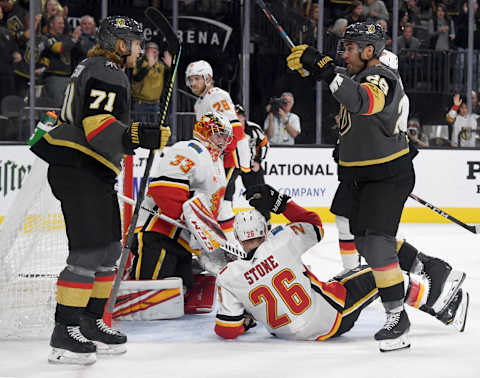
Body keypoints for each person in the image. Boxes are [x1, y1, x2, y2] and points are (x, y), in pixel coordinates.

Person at [30, 16, 171, 365]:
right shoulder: (108, 69)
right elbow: (98, 126)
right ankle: (64, 332)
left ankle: (90, 323)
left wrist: (140, 134)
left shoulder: (98, 66)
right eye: (136, 44)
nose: (139, 50)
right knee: (89, 252)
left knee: (109, 250)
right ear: (121, 45)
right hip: (79, 167)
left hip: (92, 169)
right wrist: (142, 135)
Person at [285, 22, 427, 351]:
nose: (344, 53)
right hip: (364, 174)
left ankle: (398, 318)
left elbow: (363, 101)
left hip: (386, 175)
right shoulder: (359, 74)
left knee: (376, 244)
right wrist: (313, 66)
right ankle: (422, 269)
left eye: (350, 48)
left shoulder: (381, 77)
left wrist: (321, 67)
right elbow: (344, 84)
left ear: (368, 51)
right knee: (365, 242)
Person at [214, 184, 469, 345]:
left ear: (237, 237)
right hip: (331, 317)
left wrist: (247, 320)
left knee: (351, 274)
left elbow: (226, 329)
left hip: (286, 332)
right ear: (265, 230)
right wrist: (280, 202)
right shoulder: (281, 241)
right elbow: (314, 224)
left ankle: (435, 291)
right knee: (382, 272)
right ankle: (442, 305)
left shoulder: (229, 275)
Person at [130, 112, 231, 293]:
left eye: (225, 136)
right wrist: (198, 229)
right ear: (203, 132)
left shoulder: (217, 164)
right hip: (159, 235)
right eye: (218, 134)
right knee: (151, 296)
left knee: (181, 298)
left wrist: (219, 241)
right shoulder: (189, 149)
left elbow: (214, 209)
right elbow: (164, 191)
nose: (223, 140)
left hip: (182, 243)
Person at [186, 60, 251, 242]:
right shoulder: (200, 102)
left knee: (218, 202)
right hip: (220, 158)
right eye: (190, 80)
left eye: (196, 79)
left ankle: (230, 247)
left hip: (230, 157)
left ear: (207, 78)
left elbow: (234, 127)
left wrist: (219, 155)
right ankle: (229, 247)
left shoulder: (216, 95)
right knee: (223, 203)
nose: (192, 84)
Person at [235, 104, 270, 222]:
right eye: (234, 117)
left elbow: (264, 144)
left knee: (258, 193)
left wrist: (258, 161)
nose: (237, 119)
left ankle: (265, 220)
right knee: (225, 194)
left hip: (250, 167)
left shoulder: (254, 129)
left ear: (244, 117)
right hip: (233, 166)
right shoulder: (227, 130)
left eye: (239, 116)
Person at [37, 14, 76, 108]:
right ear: (51, 24)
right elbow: (58, 48)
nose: (62, 25)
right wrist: (74, 40)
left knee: (67, 107)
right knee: (55, 108)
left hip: (69, 78)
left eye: (63, 23)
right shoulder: (46, 38)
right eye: (59, 23)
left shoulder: (66, 38)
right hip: (54, 78)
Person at [131, 41, 172, 123]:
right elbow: (136, 78)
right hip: (141, 104)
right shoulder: (139, 63)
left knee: (154, 130)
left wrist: (170, 68)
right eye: (151, 51)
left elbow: (167, 80)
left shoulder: (160, 66)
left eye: (156, 51)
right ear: (145, 52)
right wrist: (148, 66)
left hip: (155, 104)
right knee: (140, 130)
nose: (154, 53)